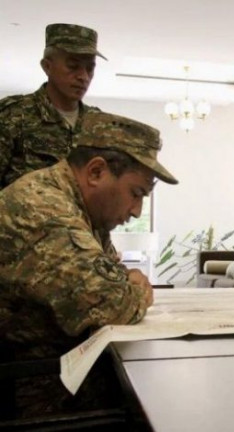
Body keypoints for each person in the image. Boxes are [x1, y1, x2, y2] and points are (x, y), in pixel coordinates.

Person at [0, 111, 178, 417]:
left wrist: (125, 282)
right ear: (96, 172)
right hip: (39, 391)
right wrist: (133, 288)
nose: (136, 211)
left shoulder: (84, 209)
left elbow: (112, 274)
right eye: (136, 194)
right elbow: (113, 303)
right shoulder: (43, 209)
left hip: (65, 371)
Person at [0, 23, 105, 189]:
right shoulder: (13, 115)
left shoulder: (98, 124)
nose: (83, 77)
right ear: (47, 66)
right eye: (73, 66)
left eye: (90, 68)